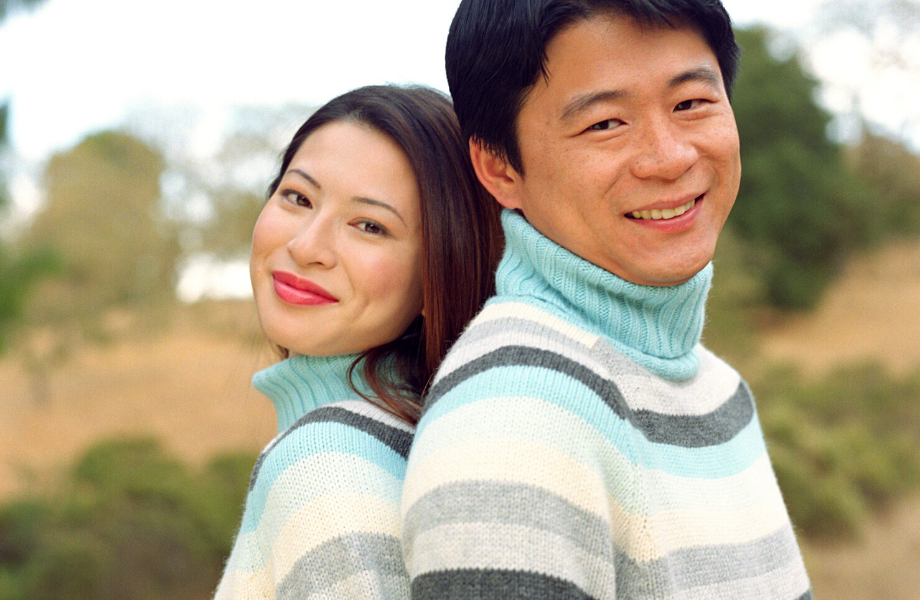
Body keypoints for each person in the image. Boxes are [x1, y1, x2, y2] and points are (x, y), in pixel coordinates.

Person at [401, 1, 813, 599]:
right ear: (498, 167)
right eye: (604, 124)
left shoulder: (718, 391)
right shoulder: (512, 426)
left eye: (691, 104)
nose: (670, 157)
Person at [213, 85, 502, 600]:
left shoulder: (325, 462)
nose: (306, 247)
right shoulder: (422, 438)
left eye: (370, 225)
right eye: (297, 197)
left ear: (441, 272)